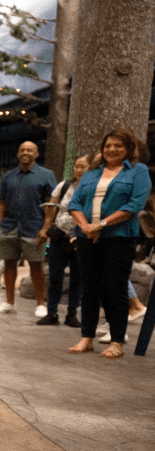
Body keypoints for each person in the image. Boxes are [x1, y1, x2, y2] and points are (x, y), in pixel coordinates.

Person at [67, 127, 151, 358]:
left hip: (119, 238)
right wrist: (85, 226)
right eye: (108, 146)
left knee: (115, 289)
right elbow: (74, 204)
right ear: (102, 150)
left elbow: (134, 205)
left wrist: (100, 225)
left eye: (118, 146)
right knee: (90, 289)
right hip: (87, 237)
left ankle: (116, 342)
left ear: (128, 149)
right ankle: (87, 338)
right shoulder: (92, 173)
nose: (112, 150)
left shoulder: (137, 171)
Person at [0, 141, 57, 317]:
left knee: (36, 265)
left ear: (36, 154)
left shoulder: (46, 175)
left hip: (34, 227)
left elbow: (51, 204)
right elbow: (0, 202)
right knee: (9, 263)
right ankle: (9, 302)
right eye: (22, 150)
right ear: (18, 154)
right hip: (9, 227)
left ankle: (40, 304)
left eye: (29, 150)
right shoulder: (8, 176)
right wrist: (0, 224)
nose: (25, 152)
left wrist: (46, 227)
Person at [36, 155, 89, 327]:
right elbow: (51, 209)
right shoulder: (64, 186)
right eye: (76, 166)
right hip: (60, 237)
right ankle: (52, 313)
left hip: (81, 238)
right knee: (55, 276)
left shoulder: (92, 188)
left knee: (77, 277)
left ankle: (72, 314)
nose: (79, 170)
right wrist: (45, 228)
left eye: (83, 167)